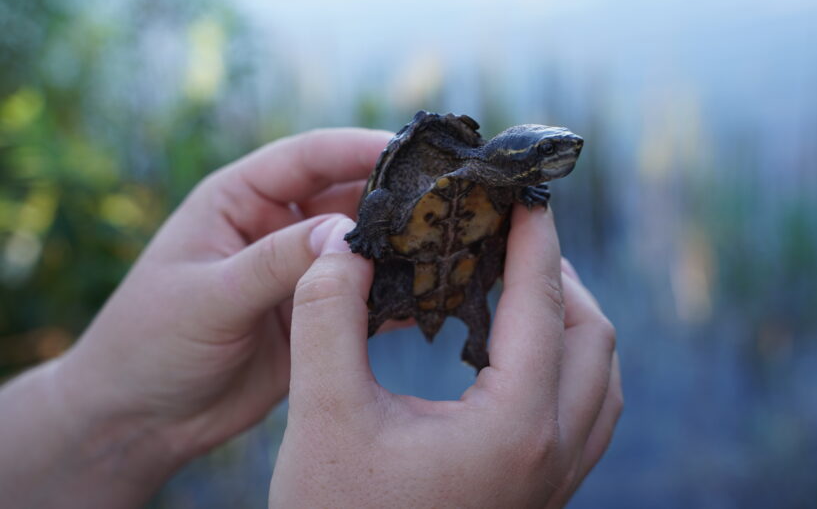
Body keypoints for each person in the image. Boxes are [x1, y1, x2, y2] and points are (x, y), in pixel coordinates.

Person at [0, 128, 622, 508]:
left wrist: (88, 409)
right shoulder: (440, 152)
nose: (562, 152)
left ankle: (475, 338)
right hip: (401, 270)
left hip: (455, 270)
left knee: (475, 302)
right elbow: (380, 199)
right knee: (392, 305)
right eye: (543, 150)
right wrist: (367, 237)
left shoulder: (503, 182)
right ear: (508, 154)